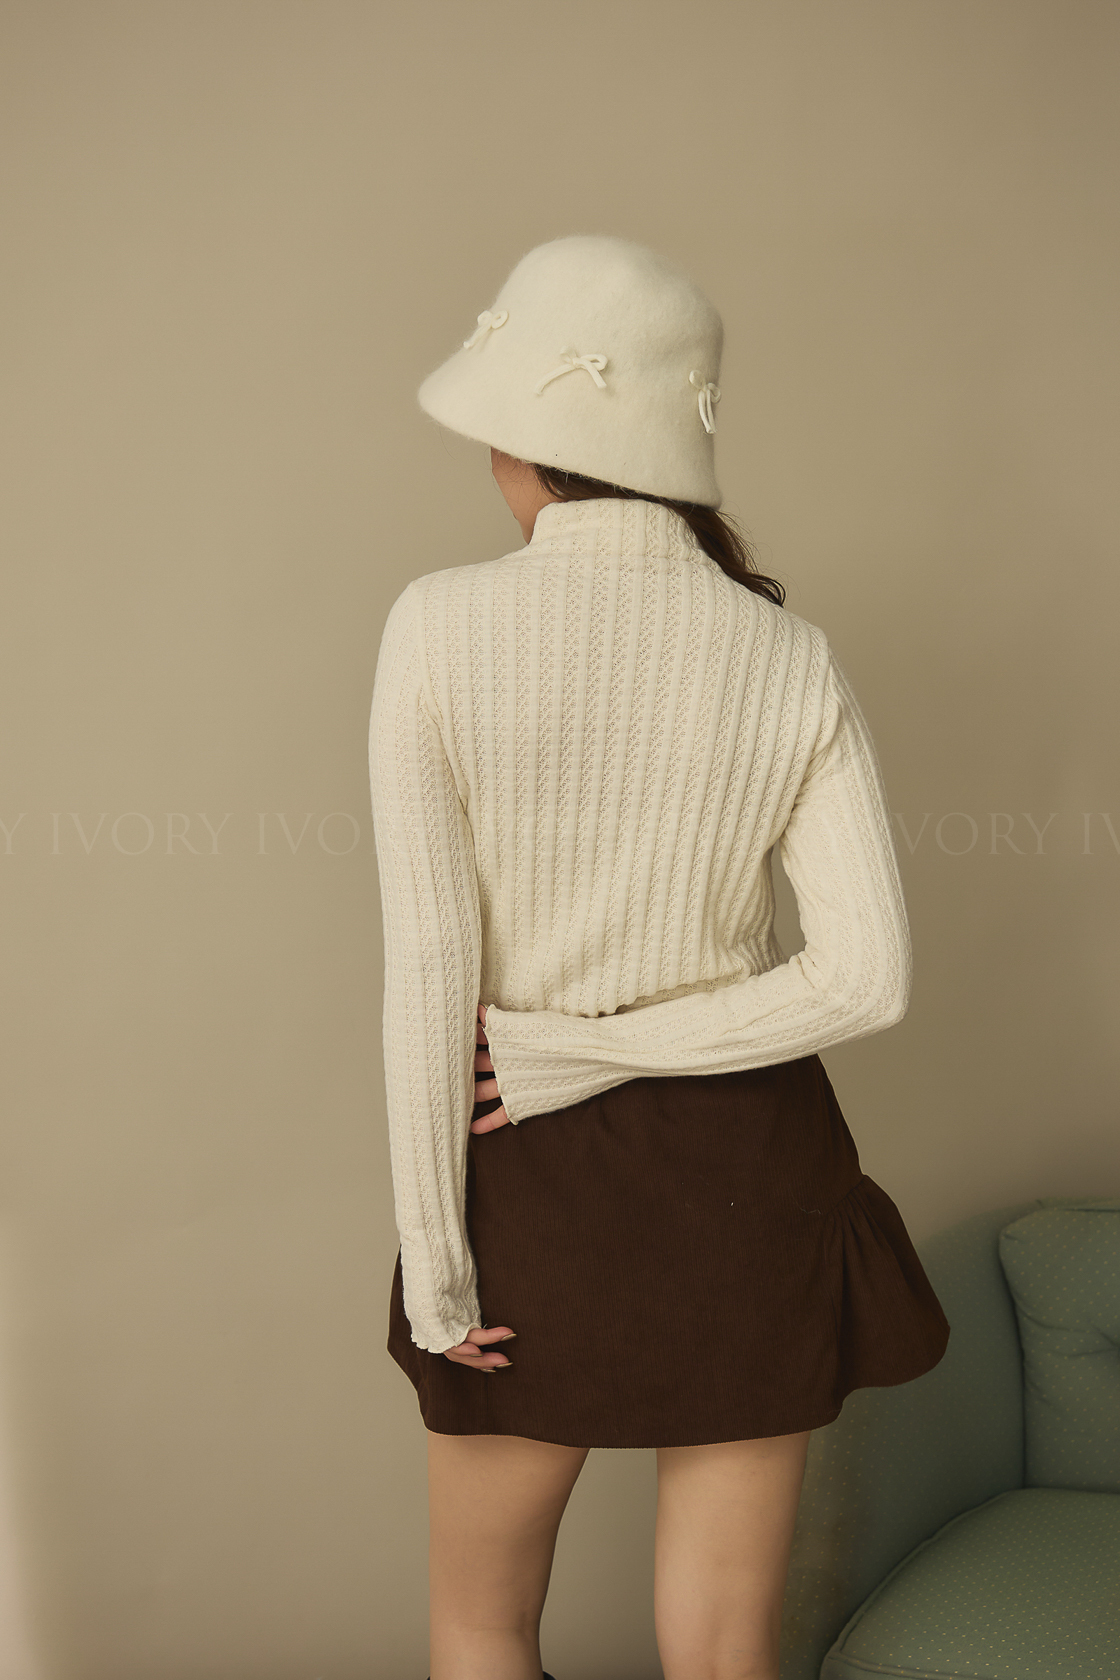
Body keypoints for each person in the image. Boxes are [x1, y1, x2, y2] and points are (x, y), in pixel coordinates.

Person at [367, 234, 950, 1680]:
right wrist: (616, 1045)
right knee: (725, 1652)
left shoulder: (439, 625)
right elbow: (863, 979)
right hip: (748, 1175)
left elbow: (432, 968)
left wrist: (440, 1265)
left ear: (526, 442)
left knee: (482, 1627)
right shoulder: (786, 655)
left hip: (521, 1172)